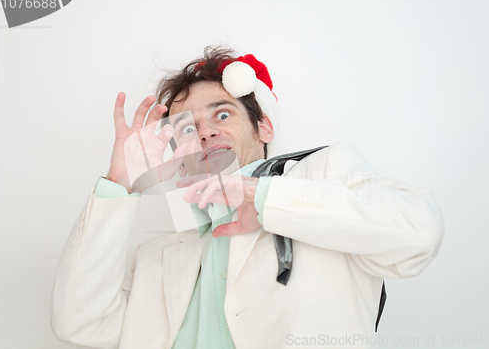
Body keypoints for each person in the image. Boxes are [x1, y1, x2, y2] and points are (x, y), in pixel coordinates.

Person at [51, 46, 444, 349]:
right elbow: (79, 324)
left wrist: (260, 197)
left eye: (222, 115)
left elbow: (419, 232)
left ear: (265, 127)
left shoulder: (326, 173)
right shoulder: (156, 254)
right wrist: (119, 181)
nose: (204, 133)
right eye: (186, 128)